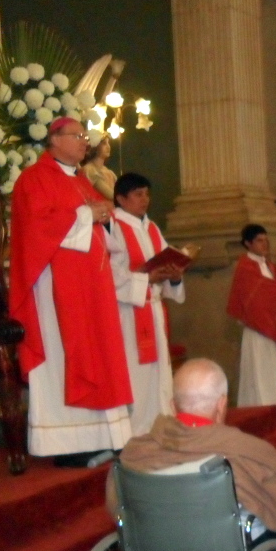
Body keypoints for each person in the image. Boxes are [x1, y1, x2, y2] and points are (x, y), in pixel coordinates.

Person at [106, 358, 276, 551]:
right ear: (222, 404)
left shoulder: (135, 453)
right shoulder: (248, 451)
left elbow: (117, 508)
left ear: (173, 405)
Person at [9, 117, 132, 466]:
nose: (84, 142)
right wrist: (86, 214)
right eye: (77, 135)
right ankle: (66, 443)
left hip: (92, 287)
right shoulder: (33, 179)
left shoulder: (80, 180)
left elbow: (101, 229)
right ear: (54, 139)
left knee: (99, 352)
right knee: (65, 354)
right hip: (54, 287)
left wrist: (104, 216)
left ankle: (101, 437)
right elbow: (37, 228)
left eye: (84, 136)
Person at [109, 172, 185, 436]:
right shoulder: (113, 226)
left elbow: (163, 262)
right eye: (138, 194)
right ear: (121, 199)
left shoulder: (151, 227)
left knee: (160, 373)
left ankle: (162, 426)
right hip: (128, 313)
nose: (145, 200)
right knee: (137, 375)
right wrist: (145, 279)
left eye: (147, 194)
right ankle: (138, 433)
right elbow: (110, 274)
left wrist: (174, 276)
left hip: (153, 308)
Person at [226, 224, 276, 424]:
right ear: (248, 243)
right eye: (259, 241)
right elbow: (256, 300)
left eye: (266, 240)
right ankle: (260, 421)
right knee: (259, 377)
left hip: (273, 331)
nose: (265, 244)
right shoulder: (245, 267)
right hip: (258, 332)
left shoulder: (269, 266)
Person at [82, 135, 117, 200]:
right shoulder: (89, 169)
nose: (108, 147)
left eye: (108, 143)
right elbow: (110, 194)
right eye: (104, 143)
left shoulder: (110, 173)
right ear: (96, 147)